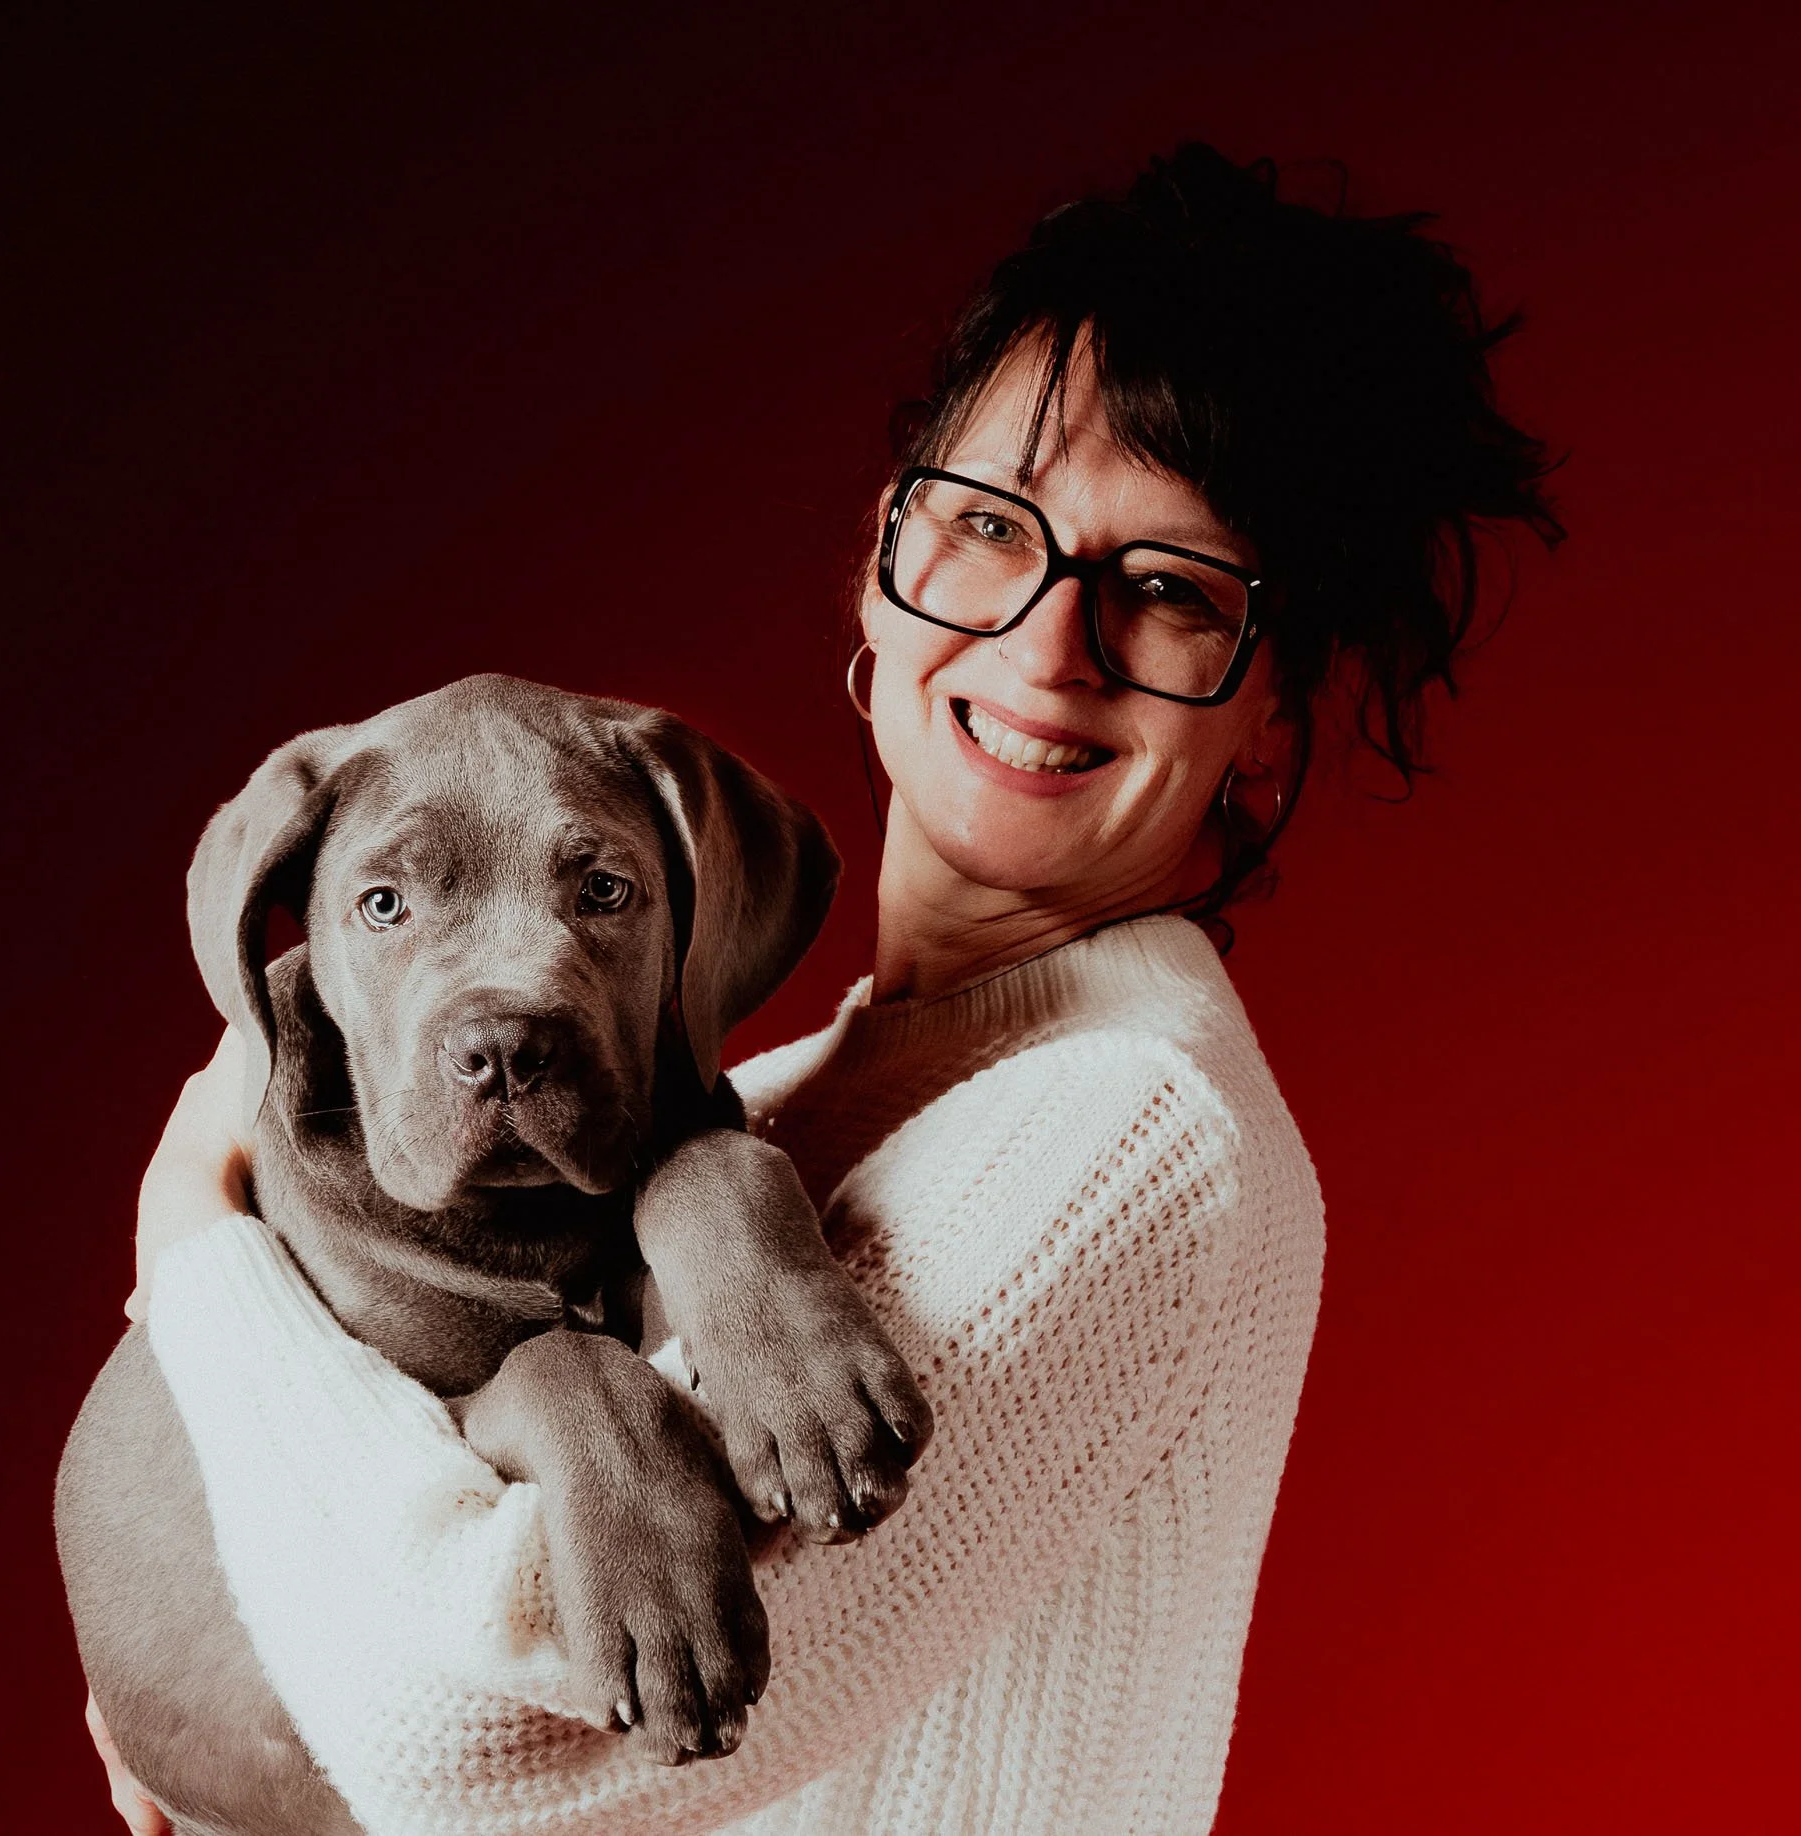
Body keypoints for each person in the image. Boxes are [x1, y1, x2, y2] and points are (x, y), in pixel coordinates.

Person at [92, 143, 1560, 1835]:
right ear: (883, 559)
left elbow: (463, 1754)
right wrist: (187, 1638)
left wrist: (192, 1252)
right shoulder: (763, 1101)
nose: (1044, 644)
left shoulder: (1137, 1136)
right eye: (987, 529)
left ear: (1273, 717)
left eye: (1168, 594)